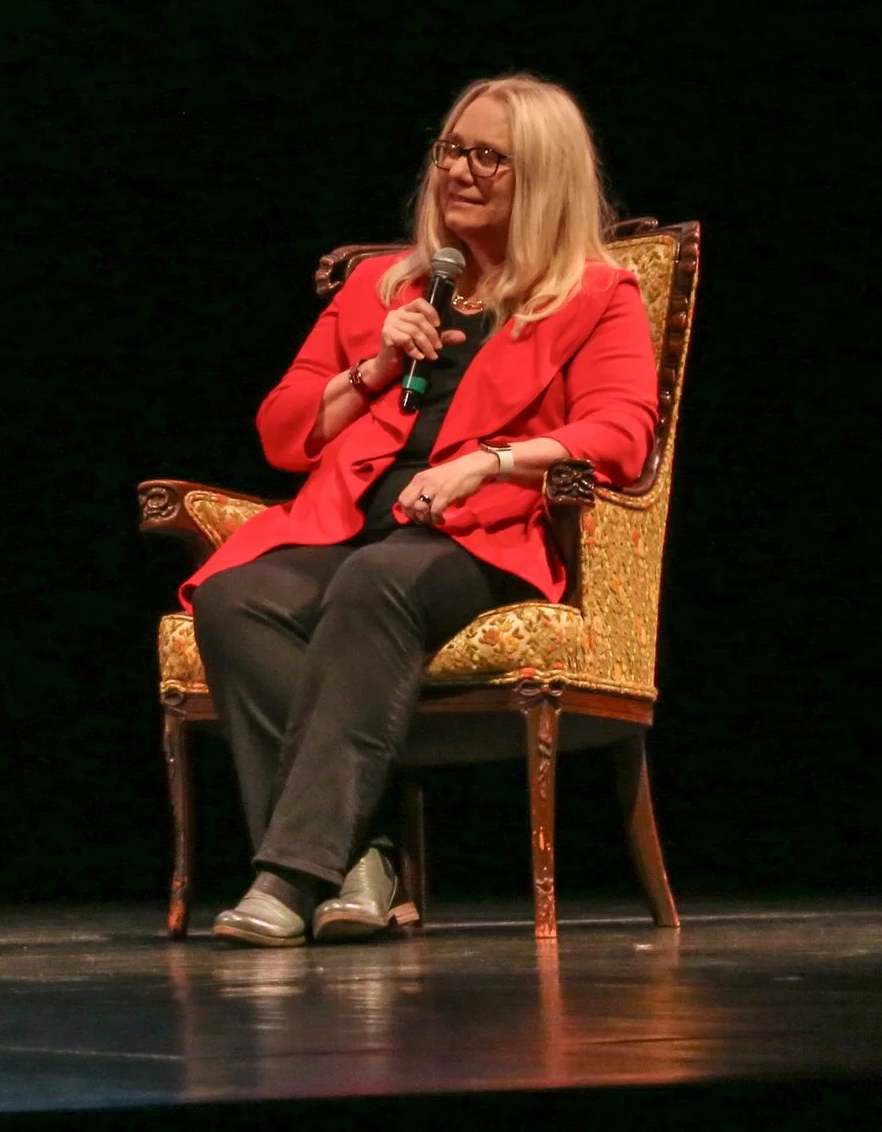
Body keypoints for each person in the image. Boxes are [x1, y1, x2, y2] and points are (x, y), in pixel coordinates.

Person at [184, 75, 658, 947]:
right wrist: (367, 367)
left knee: (378, 580)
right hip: (350, 522)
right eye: (452, 149)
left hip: (481, 535)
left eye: (489, 157)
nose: (460, 172)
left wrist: (491, 461)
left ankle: (289, 873)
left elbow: (623, 430)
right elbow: (282, 433)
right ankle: (360, 856)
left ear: (542, 178)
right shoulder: (381, 286)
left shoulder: (595, 295)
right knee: (232, 595)